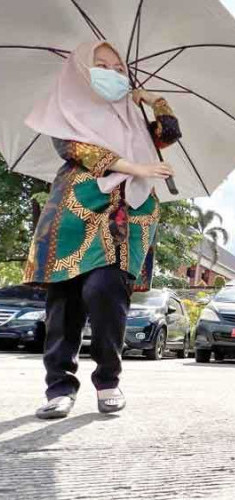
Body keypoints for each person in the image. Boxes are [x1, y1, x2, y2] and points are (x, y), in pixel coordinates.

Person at [23, 41, 181, 419]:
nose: (111, 73)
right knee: (65, 304)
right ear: (81, 70)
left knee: (107, 288)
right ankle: (59, 388)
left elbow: (170, 132)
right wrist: (137, 169)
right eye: (101, 65)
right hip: (74, 213)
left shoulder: (133, 117)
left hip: (124, 215)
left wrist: (154, 100)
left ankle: (108, 378)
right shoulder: (64, 110)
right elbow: (78, 152)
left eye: (117, 67)